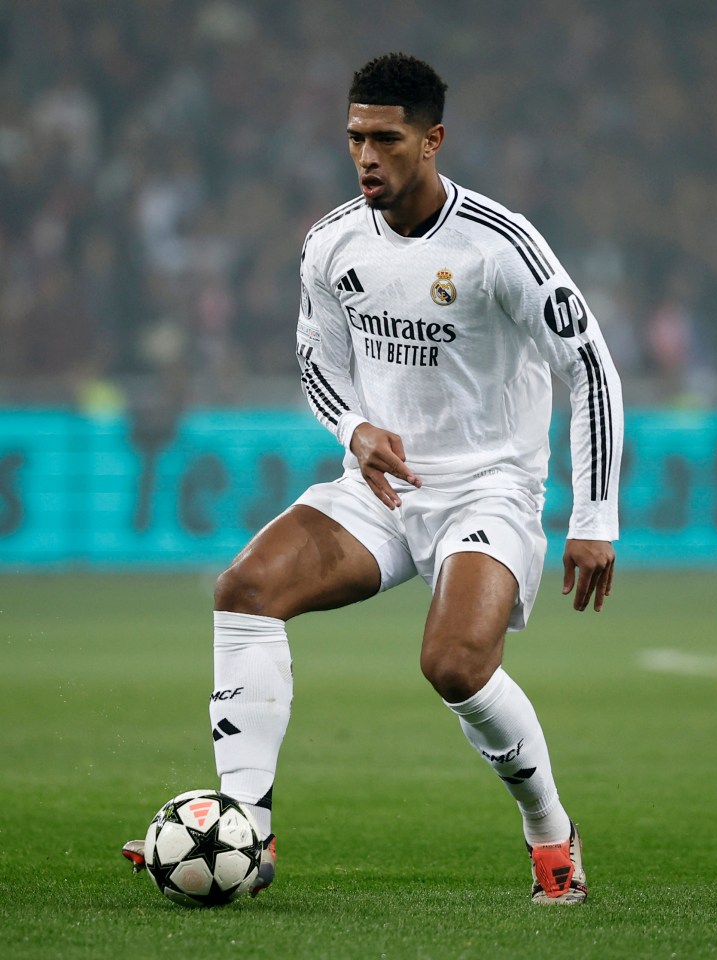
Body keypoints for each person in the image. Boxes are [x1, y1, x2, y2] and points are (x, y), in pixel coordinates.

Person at [124, 52, 623, 904]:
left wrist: (595, 515)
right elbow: (316, 361)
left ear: (432, 140)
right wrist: (355, 431)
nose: (365, 156)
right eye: (355, 137)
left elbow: (592, 370)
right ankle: (244, 828)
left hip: (488, 489)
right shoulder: (331, 242)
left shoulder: (501, 247)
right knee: (244, 590)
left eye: (386, 139)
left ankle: (550, 833)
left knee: (455, 666)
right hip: (384, 490)